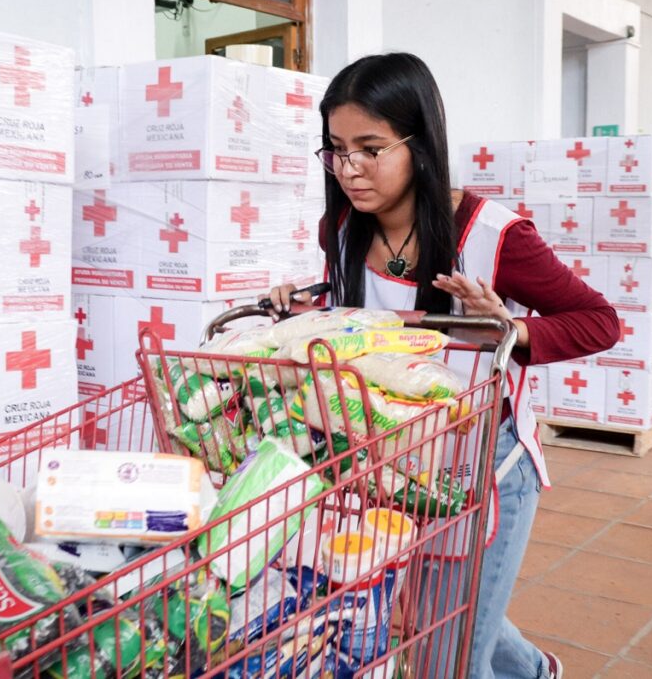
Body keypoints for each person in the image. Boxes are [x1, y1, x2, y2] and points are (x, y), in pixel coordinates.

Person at [264, 53, 619, 679]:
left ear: (420, 144)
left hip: (480, 469)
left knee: (442, 652)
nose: (349, 170)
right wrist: (307, 311)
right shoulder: (341, 228)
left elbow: (599, 321)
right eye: (336, 149)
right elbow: (361, 323)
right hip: (387, 462)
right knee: (443, 613)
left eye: (370, 149)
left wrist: (509, 330)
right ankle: (537, 671)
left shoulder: (495, 235)